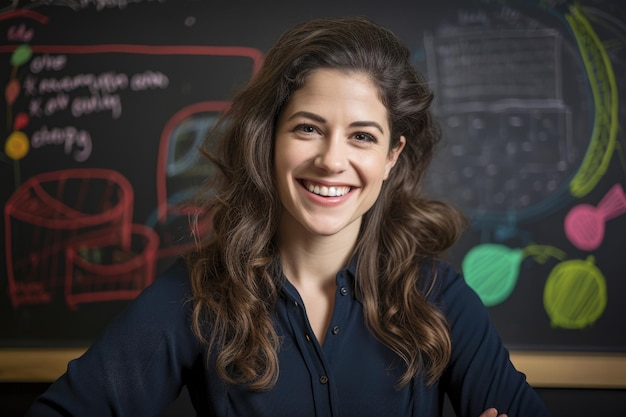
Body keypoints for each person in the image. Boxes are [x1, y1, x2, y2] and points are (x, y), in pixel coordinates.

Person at [26, 17, 551, 417]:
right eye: (307, 128)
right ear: (269, 140)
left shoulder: (439, 297)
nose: (331, 159)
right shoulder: (197, 293)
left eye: (363, 136)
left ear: (392, 157)